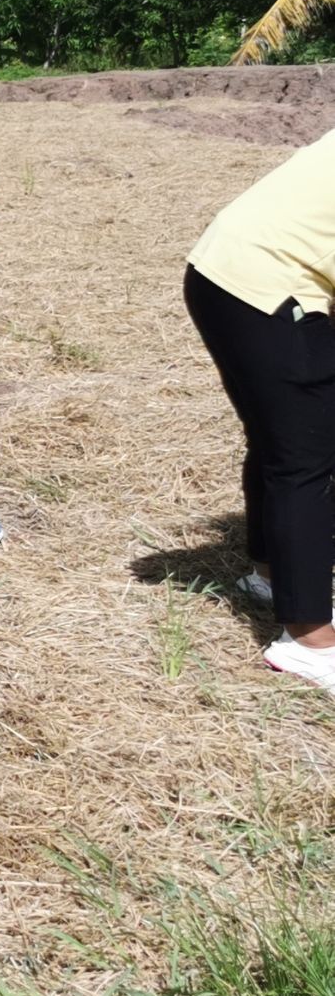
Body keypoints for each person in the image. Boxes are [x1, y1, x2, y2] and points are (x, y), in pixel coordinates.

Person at [183, 126, 335, 689]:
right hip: (266, 284)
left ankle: (270, 576)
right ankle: (310, 642)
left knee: (283, 438)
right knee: (306, 457)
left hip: (224, 271)